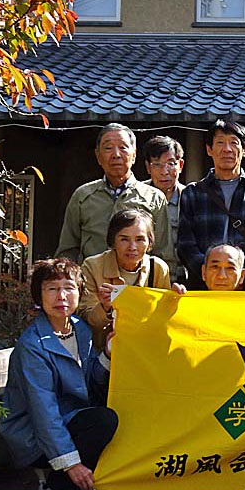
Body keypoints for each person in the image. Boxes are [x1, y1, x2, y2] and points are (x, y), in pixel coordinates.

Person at [1, 258, 117, 490]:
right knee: (102, 421)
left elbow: (90, 380)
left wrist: (107, 354)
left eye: (69, 288)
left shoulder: (81, 329)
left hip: (67, 419)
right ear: (39, 295)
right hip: (34, 433)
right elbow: (43, 410)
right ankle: (55, 488)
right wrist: (71, 464)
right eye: (52, 289)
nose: (61, 296)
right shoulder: (32, 345)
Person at [57, 123, 176, 275]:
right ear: (98, 156)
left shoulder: (153, 198)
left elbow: (164, 253)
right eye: (108, 148)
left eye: (123, 147)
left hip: (138, 284)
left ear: (134, 154)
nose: (116, 154)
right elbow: (68, 250)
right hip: (92, 283)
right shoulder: (82, 196)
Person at [178, 120, 245, 291]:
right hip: (203, 287)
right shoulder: (193, 193)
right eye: (220, 143)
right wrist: (211, 275)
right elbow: (186, 244)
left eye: (234, 143)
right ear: (209, 149)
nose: (227, 149)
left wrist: (242, 276)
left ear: (244, 150)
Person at [80, 209, 184, 348]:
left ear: (150, 243)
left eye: (140, 239)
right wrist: (105, 307)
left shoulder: (158, 268)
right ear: (113, 241)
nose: (132, 247)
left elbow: (162, 319)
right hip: (102, 350)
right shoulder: (92, 266)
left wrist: (174, 299)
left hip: (144, 348)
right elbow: (86, 319)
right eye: (124, 239)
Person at [141, 135, 186, 283]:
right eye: (157, 165)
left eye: (171, 164)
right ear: (148, 167)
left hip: (184, 279)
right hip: (147, 279)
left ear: (180, 165)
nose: (164, 171)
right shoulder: (136, 196)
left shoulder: (191, 197)